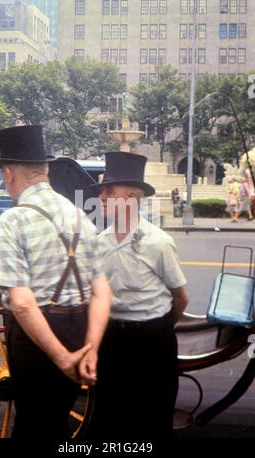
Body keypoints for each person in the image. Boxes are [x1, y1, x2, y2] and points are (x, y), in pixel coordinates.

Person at [0, 125, 112, 439]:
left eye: (4, 176)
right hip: (78, 329)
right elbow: (102, 291)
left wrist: (61, 358)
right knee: (55, 419)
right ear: (45, 170)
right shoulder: (79, 215)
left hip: (37, 340)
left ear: (10, 173)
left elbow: (23, 303)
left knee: (32, 424)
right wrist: (90, 349)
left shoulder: (12, 220)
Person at [83, 151, 189, 441]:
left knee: (151, 418)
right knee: (110, 417)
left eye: (108, 190)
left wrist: (156, 328)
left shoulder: (158, 242)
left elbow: (181, 299)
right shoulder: (99, 243)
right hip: (112, 341)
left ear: (130, 197)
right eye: (101, 191)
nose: (101, 197)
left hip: (152, 343)